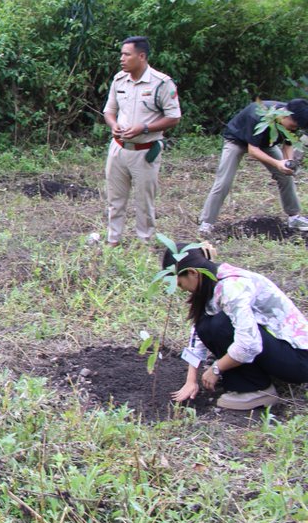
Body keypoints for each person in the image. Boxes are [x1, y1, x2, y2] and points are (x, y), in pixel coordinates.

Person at [163, 243, 308, 411]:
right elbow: (198, 333)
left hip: (299, 359)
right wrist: (191, 380)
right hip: (277, 349)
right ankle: (253, 377)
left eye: (180, 284)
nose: (181, 289)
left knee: (220, 325)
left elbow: (249, 344)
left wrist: (216, 369)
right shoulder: (211, 283)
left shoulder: (232, 287)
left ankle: (257, 389)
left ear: (193, 273)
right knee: (206, 325)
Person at [102, 36, 181, 246]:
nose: (122, 58)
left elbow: (174, 117)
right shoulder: (119, 80)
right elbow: (109, 111)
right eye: (121, 54)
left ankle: (144, 243)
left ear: (141, 56)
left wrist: (144, 128)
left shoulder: (162, 83)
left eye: (127, 54)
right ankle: (113, 240)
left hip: (145, 151)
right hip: (118, 149)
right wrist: (113, 125)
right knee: (115, 199)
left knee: (144, 201)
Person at [197, 98, 308, 235]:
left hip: (265, 144)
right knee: (224, 181)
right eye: (292, 126)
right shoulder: (258, 115)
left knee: (286, 176)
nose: (293, 129)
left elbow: (288, 143)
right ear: (285, 115)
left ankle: (294, 217)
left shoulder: (296, 115)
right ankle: (206, 222)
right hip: (236, 141)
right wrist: (277, 163)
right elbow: (253, 151)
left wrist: (287, 162)